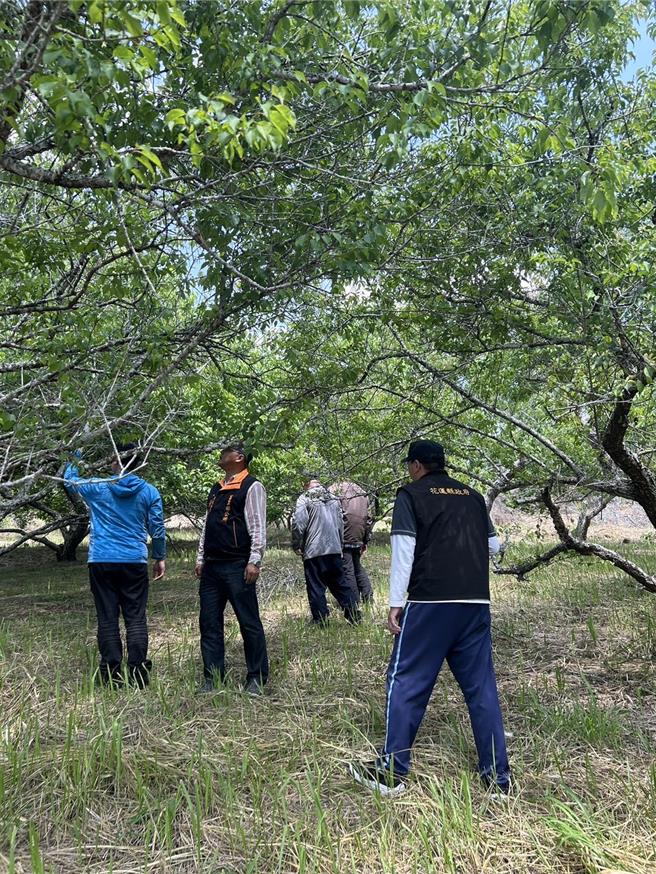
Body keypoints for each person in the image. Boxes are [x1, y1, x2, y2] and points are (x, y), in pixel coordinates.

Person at [349, 439, 510, 796]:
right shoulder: (472, 495)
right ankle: (498, 780)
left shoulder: (411, 494)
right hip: (475, 603)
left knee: (406, 681)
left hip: (430, 603)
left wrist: (395, 602)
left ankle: (391, 773)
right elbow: (494, 547)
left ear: (417, 465)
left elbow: (404, 549)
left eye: (410, 464)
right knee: (481, 689)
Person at [64, 442, 166, 688]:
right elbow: (158, 530)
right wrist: (159, 557)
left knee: (107, 617)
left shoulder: (99, 487)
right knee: (136, 618)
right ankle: (138, 673)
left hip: (101, 560)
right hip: (134, 561)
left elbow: (70, 480)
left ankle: (110, 674)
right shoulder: (149, 492)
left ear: (115, 462)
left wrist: (78, 452)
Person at [195, 443, 268, 695]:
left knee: (248, 622)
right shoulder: (216, 488)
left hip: (238, 565)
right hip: (212, 568)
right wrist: (201, 557)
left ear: (239, 457)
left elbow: (258, 525)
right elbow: (208, 525)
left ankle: (256, 677)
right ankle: (212, 677)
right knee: (209, 623)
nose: (220, 455)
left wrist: (254, 560)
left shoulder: (252, 486)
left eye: (225, 452)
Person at [291, 475, 361, 625]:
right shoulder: (334, 498)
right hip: (334, 548)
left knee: (316, 586)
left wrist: (296, 544)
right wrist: (340, 545)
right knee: (340, 584)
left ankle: (320, 619)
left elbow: (299, 523)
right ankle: (354, 615)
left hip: (314, 550)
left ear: (306, 483)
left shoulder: (305, 498)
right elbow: (340, 523)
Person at [330, 480, 374, 604]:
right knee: (357, 566)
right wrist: (365, 540)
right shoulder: (361, 491)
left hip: (343, 536)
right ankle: (368, 597)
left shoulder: (334, 489)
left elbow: (332, 515)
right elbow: (369, 518)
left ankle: (353, 603)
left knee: (347, 569)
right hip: (358, 535)